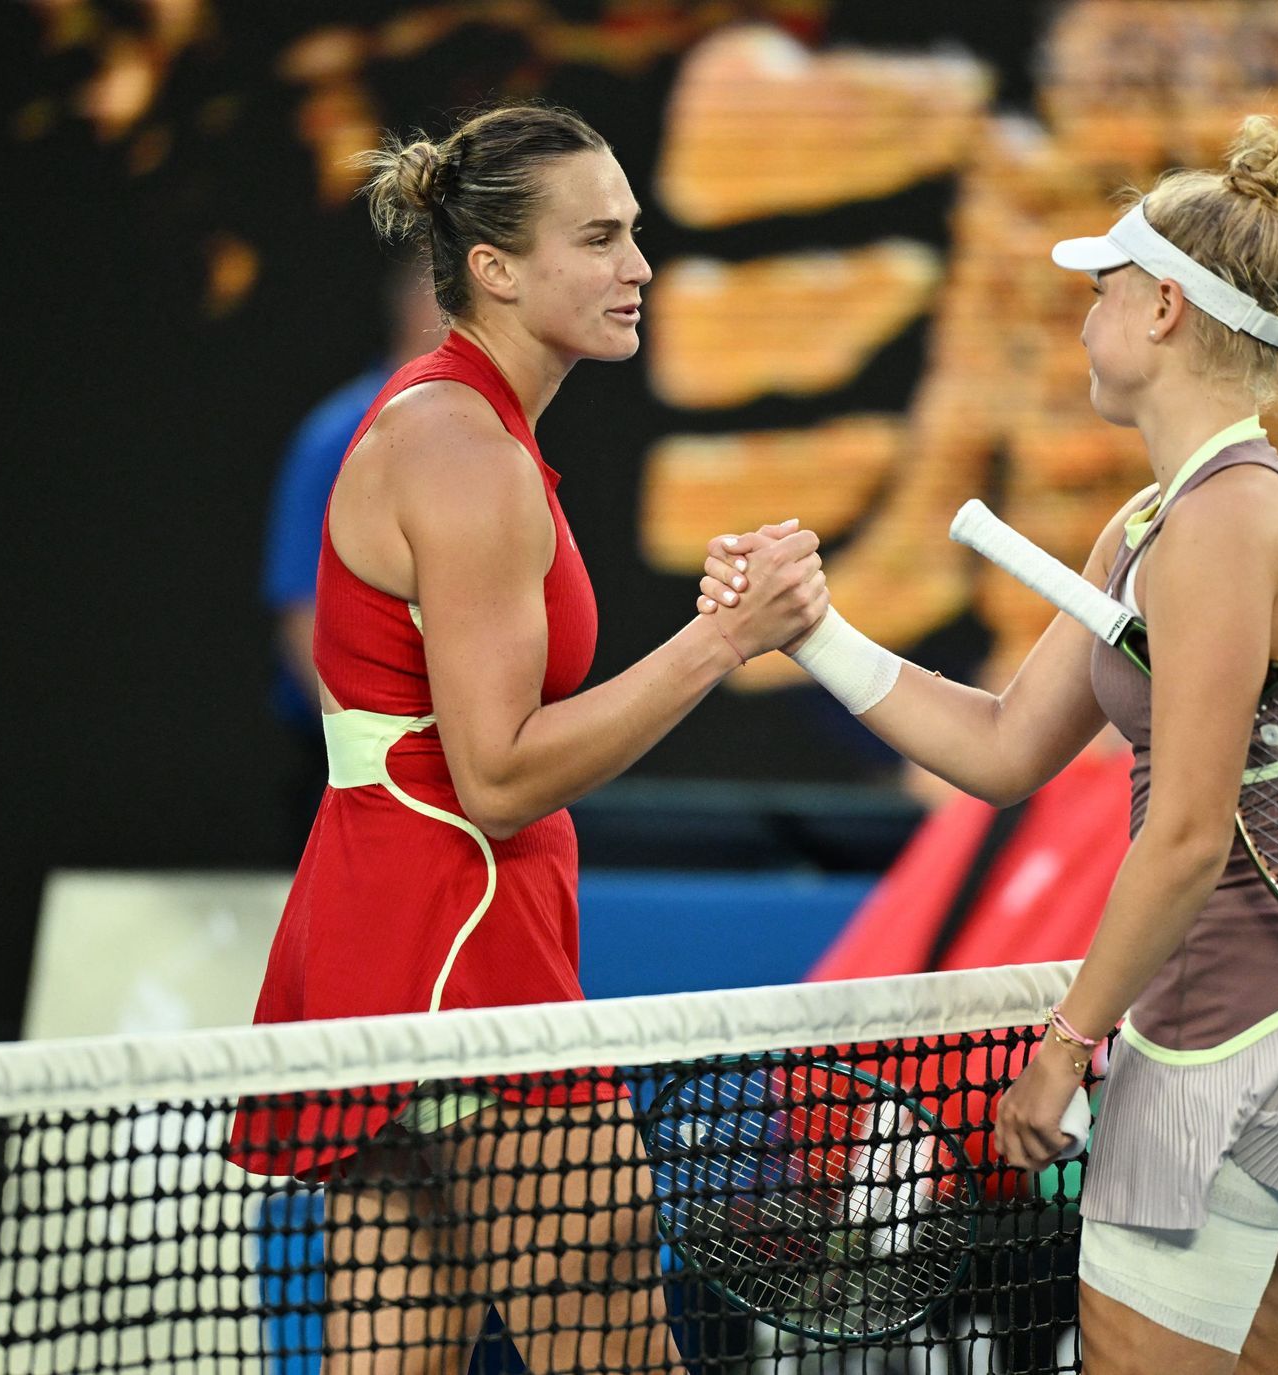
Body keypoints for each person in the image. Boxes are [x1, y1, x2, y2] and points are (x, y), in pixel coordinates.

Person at [700, 115, 1278, 1373]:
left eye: (1102, 288)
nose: (1081, 315)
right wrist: (815, 632)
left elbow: (1183, 835)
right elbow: (1004, 749)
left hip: (1262, 1023)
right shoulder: (1161, 519)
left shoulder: (1223, 524)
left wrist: (1063, 1050)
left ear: (1165, 311)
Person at [225, 101, 825, 1375]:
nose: (639, 268)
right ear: (493, 269)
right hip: (461, 941)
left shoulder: (460, 428)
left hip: (401, 936)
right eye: (598, 238)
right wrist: (724, 638)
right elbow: (494, 774)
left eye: (635, 234)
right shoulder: (460, 448)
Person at [261, 257, 441, 843]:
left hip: (455, 774)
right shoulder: (338, 437)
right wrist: (385, 759)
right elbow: (301, 623)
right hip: (356, 779)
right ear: (421, 308)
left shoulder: (490, 439)